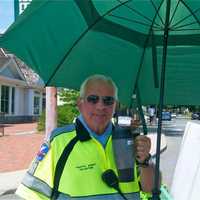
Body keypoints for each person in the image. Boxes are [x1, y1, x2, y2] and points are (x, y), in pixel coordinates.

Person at [16, 74, 156, 200]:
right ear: (80, 103)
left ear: (115, 105)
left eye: (108, 100)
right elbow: (31, 194)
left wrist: (145, 161)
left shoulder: (128, 139)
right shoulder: (59, 142)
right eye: (93, 99)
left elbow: (150, 189)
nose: (100, 106)